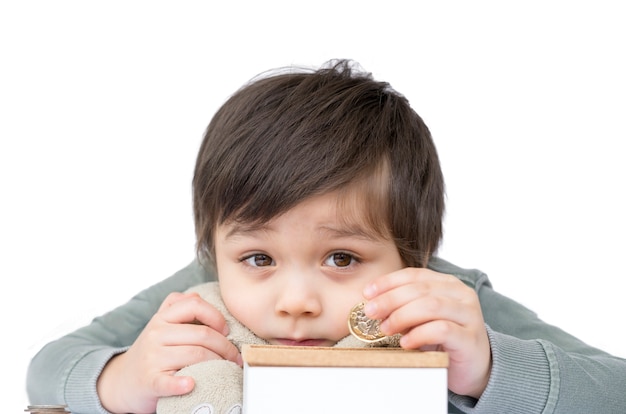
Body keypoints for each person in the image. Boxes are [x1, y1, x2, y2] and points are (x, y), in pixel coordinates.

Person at [26, 60, 626, 414]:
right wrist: (121, 379)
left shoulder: (445, 306)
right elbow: (48, 365)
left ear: (411, 256)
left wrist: (491, 367)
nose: (295, 301)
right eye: (257, 256)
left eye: (342, 257)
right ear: (216, 246)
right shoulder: (201, 295)